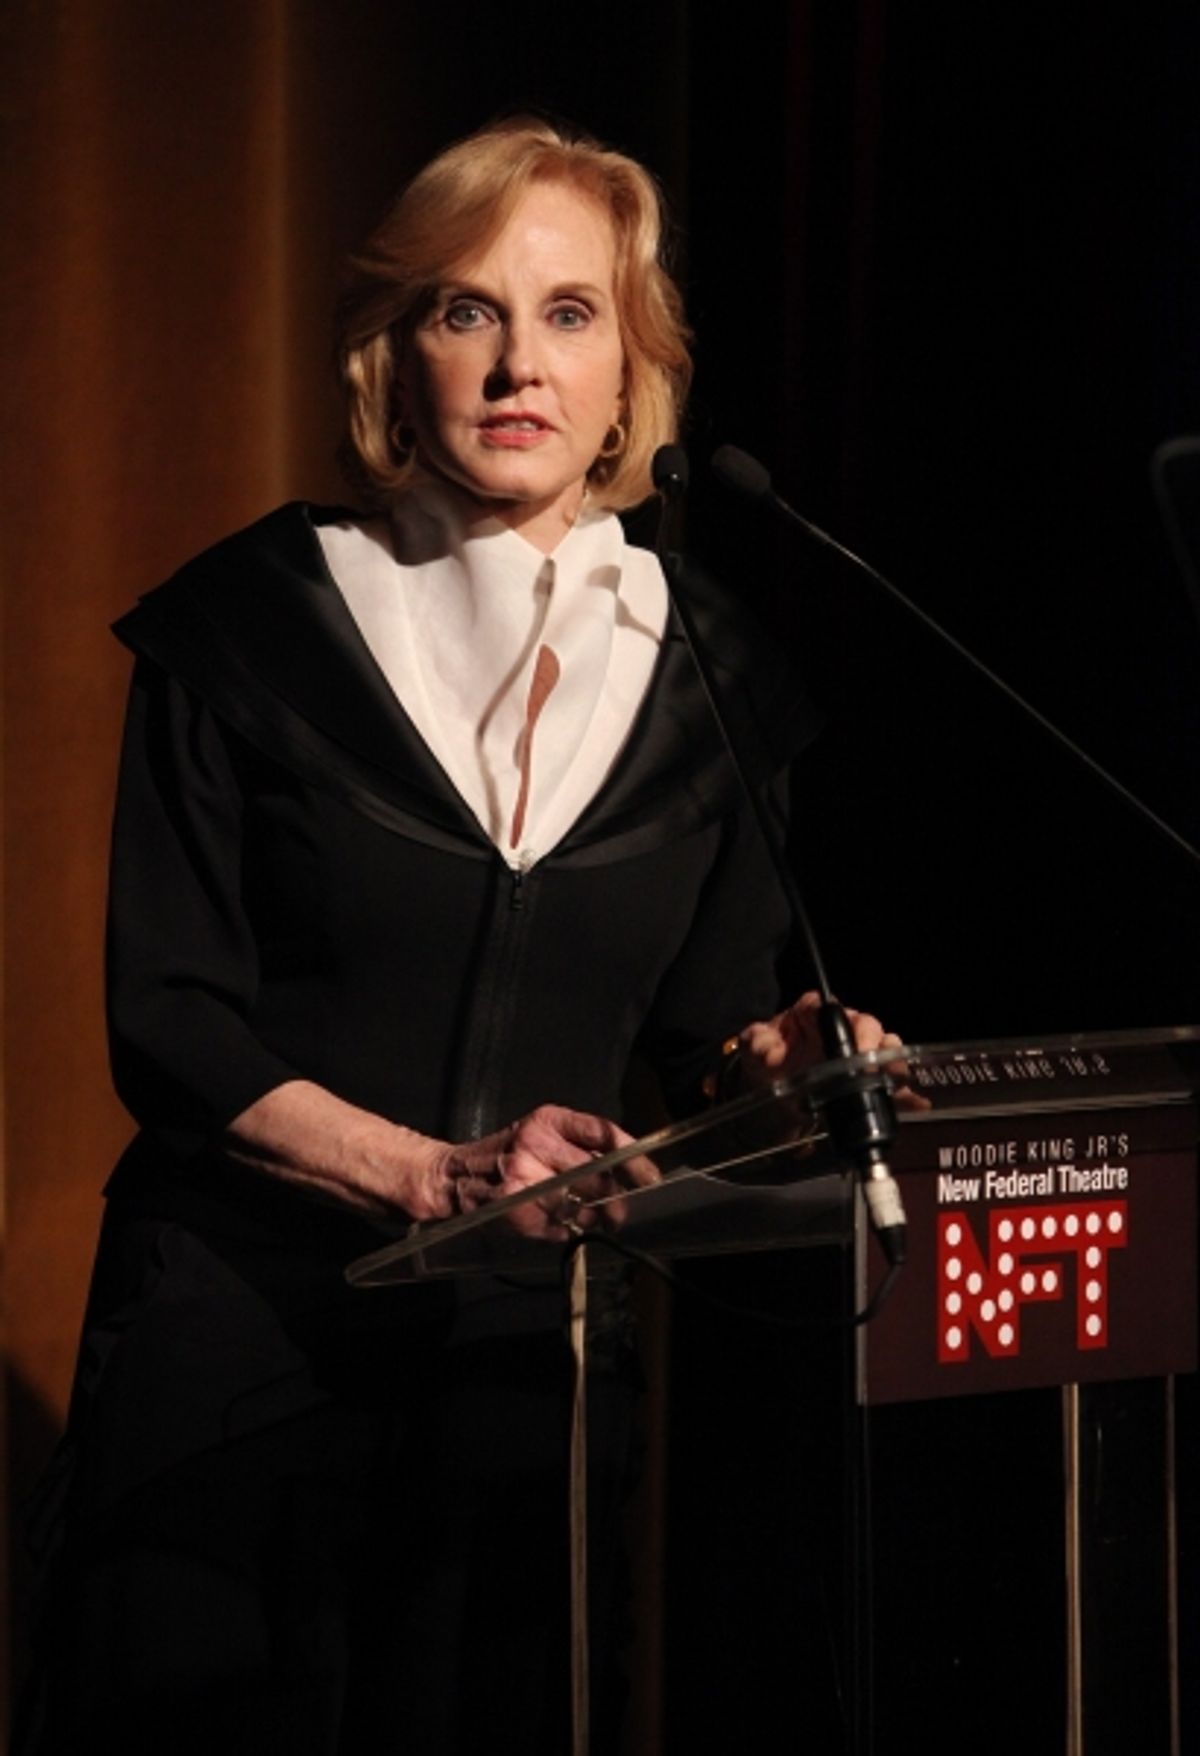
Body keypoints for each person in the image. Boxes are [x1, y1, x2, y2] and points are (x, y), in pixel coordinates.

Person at [16, 117, 899, 1755]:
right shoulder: (247, 624)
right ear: (393, 358)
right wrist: (431, 1174)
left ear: (634, 374)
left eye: (570, 314)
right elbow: (173, 1021)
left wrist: (785, 1053)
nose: (516, 365)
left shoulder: (715, 676)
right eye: (461, 310)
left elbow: (700, 1023)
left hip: (527, 1391)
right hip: (236, 1373)